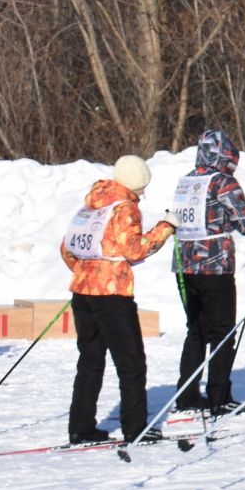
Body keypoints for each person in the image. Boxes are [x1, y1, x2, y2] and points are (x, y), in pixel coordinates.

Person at [61, 155, 175, 445]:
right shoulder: (125, 207)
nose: (142, 194)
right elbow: (134, 250)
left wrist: (87, 273)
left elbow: (67, 248)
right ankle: (135, 428)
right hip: (112, 295)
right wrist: (165, 227)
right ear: (134, 184)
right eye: (141, 188)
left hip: (83, 292)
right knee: (131, 363)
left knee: (90, 361)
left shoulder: (92, 203)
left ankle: (80, 427)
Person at [170, 129, 245, 413]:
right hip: (215, 267)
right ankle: (219, 397)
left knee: (196, 331)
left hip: (184, 265)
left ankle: (187, 396)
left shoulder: (187, 181)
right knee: (222, 333)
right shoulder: (223, 182)